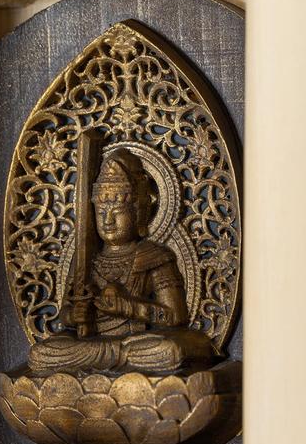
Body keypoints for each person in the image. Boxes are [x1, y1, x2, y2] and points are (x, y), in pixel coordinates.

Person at [28, 148, 214, 375]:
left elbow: (175, 316)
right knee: (41, 353)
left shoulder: (154, 256)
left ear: (138, 213)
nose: (108, 220)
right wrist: (74, 316)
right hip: (91, 348)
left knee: (169, 350)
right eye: (101, 211)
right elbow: (66, 312)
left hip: (134, 346)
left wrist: (128, 307)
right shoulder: (86, 258)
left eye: (117, 211)